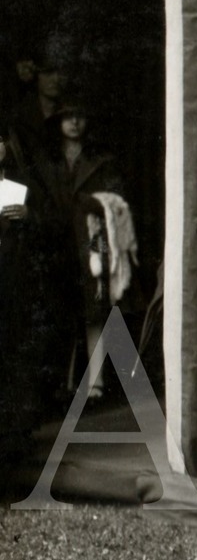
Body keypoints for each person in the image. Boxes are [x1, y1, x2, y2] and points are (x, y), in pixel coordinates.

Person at [37, 98, 132, 403]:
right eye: (67, 117)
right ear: (58, 123)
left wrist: (94, 205)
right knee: (62, 310)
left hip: (93, 240)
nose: (74, 122)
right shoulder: (47, 161)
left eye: (79, 115)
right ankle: (64, 382)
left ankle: (96, 382)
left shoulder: (102, 159)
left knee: (95, 310)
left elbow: (116, 198)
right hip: (57, 241)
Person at [0, 123, 72, 479]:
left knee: (15, 363)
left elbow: (56, 225)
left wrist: (29, 218)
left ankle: (15, 440)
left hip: (16, 288)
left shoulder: (23, 182)